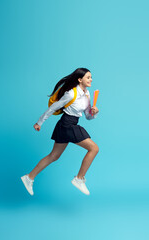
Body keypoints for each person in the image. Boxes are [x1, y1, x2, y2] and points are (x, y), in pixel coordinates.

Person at [21, 68, 99, 196]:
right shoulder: (71, 93)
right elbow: (53, 108)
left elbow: (88, 116)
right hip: (67, 124)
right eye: (88, 77)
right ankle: (79, 179)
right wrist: (39, 122)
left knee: (54, 156)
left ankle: (29, 177)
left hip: (70, 124)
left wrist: (94, 113)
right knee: (94, 148)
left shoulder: (87, 94)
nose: (91, 79)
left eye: (91, 77)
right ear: (80, 79)